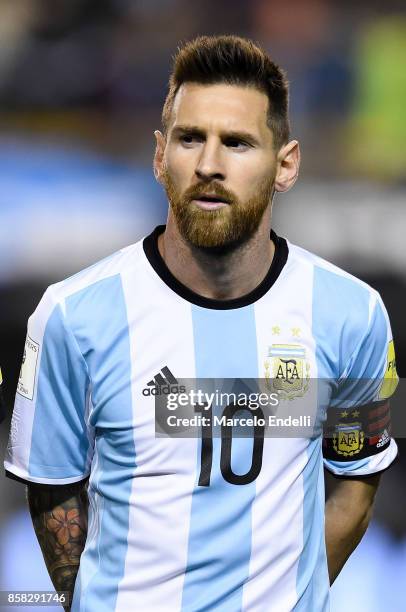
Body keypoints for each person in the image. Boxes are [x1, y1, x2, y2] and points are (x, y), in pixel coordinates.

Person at [4, 35, 398, 612]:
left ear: (286, 164)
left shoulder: (353, 316)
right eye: (191, 139)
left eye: (237, 142)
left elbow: (356, 474)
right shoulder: (70, 317)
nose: (210, 165)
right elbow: (52, 490)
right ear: (161, 156)